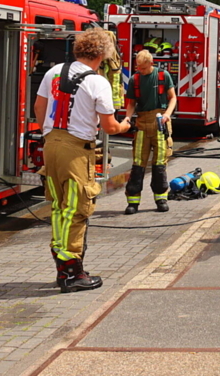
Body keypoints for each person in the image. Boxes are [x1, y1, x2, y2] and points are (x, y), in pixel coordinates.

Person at [35, 29, 132, 293]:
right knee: (77, 208)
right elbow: (109, 126)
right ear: (102, 54)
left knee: (59, 205)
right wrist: (124, 126)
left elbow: (39, 108)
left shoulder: (52, 72)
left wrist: (47, 134)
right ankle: (71, 273)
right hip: (76, 150)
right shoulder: (97, 81)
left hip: (51, 145)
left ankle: (62, 262)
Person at [123, 50, 177, 215]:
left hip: (160, 122)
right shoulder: (135, 79)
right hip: (142, 122)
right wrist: (127, 118)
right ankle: (133, 201)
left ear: (151, 64)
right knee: (138, 162)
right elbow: (132, 103)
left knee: (160, 162)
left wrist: (167, 114)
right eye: (138, 67)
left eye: (144, 68)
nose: (140, 70)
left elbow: (173, 97)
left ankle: (161, 198)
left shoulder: (163, 76)